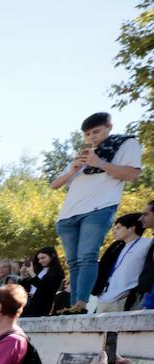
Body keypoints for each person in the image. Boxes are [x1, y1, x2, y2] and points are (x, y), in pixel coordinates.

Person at [53, 112, 143, 314]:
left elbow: (133, 174)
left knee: (88, 256)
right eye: (87, 134)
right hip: (68, 214)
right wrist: (72, 171)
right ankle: (74, 305)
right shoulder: (83, 153)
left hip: (98, 208)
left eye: (96, 131)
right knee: (74, 261)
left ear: (109, 127)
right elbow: (54, 185)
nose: (92, 137)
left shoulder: (125, 143)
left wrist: (100, 163)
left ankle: (82, 304)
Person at [89, 214, 149, 313]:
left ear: (131, 228)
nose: (114, 231)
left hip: (124, 299)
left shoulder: (147, 244)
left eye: (118, 228)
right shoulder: (115, 248)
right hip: (103, 298)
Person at [19, 248, 64, 317]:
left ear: (52, 256)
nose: (40, 261)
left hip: (41, 304)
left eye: (43, 258)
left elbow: (44, 289)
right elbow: (25, 288)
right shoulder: (38, 270)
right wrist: (22, 275)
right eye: (39, 259)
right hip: (27, 302)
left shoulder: (57, 271)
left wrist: (32, 274)